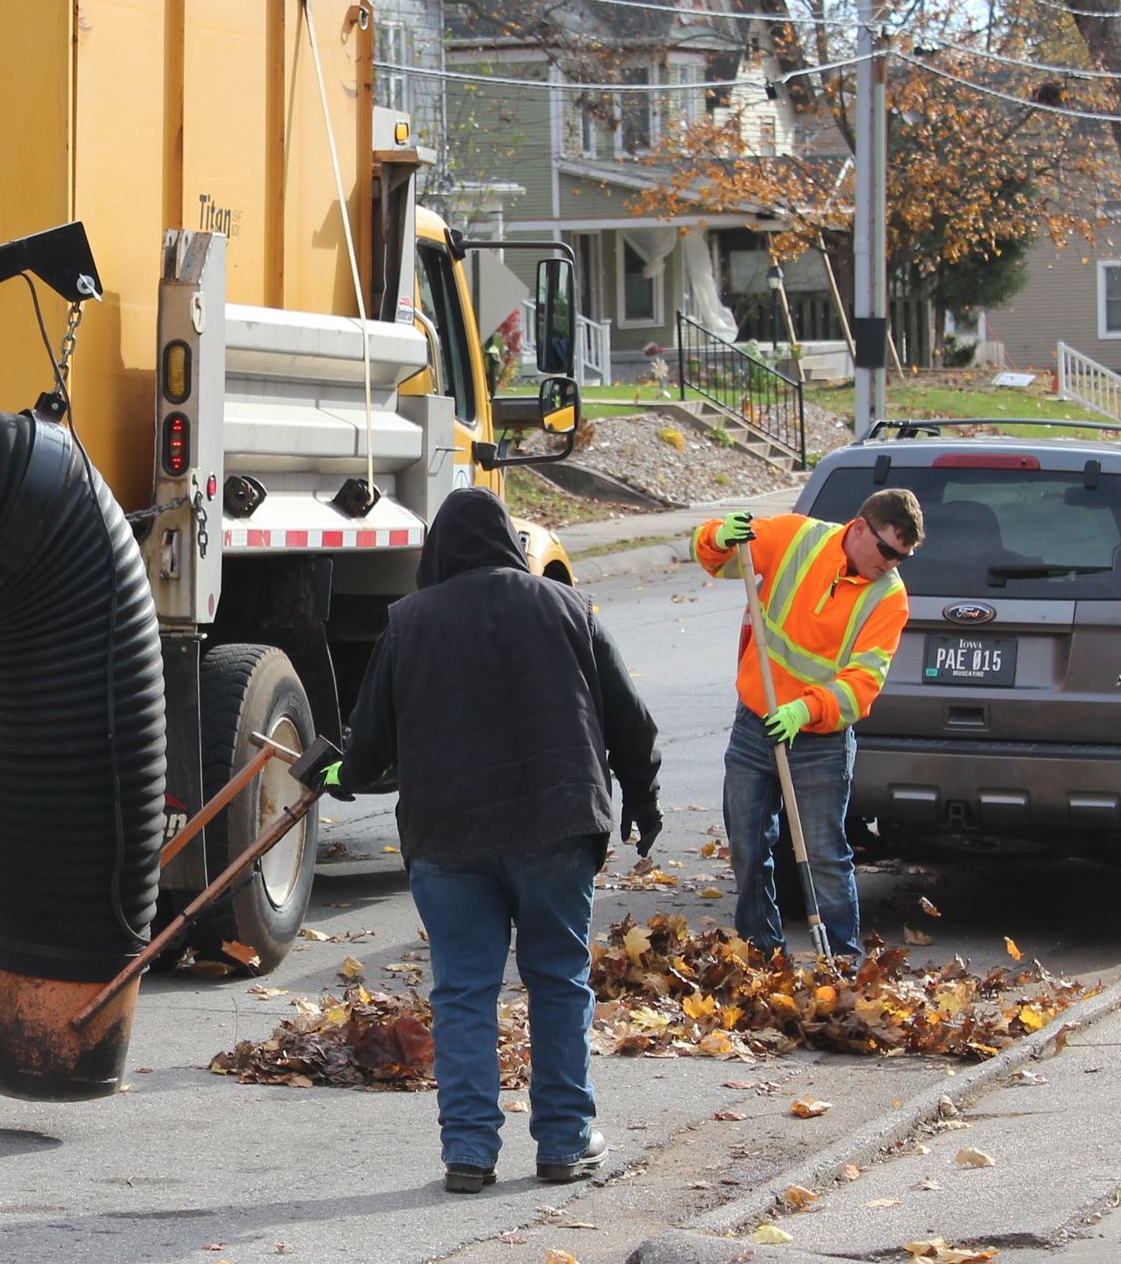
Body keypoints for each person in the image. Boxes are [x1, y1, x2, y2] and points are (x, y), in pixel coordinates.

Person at [326, 487, 663, 1195]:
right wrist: (643, 799)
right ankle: (566, 1140)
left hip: (449, 836)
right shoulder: (570, 608)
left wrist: (339, 774)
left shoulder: (408, 622)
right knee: (558, 982)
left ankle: (470, 1152)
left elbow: (368, 742)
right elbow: (630, 719)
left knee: (464, 993)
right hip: (556, 826)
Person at [693, 490, 921, 963]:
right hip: (755, 723)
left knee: (824, 857)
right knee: (747, 847)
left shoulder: (889, 598)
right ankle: (762, 953)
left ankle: (840, 963)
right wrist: (718, 534)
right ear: (859, 528)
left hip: (820, 742)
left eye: (902, 556)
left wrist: (804, 711)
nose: (891, 564)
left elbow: (862, 685)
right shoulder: (796, 538)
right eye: (886, 550)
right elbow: (715, 558)